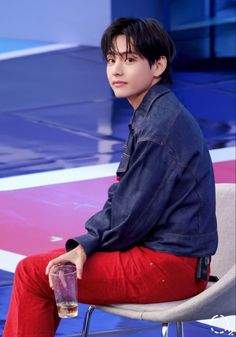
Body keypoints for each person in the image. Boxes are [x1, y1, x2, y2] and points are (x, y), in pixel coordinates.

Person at [3, 17, 218, 337]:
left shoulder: (157, 129)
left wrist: (86, 245)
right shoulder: (155, 112)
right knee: (46, 267)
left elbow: (131, 216)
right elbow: (127, 201)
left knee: (34, 273)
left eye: (130, 60)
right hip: (167, 258)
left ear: (158, 65)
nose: (116, 70)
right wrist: (86, 245)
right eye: (111, 59)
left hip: (168, 267)